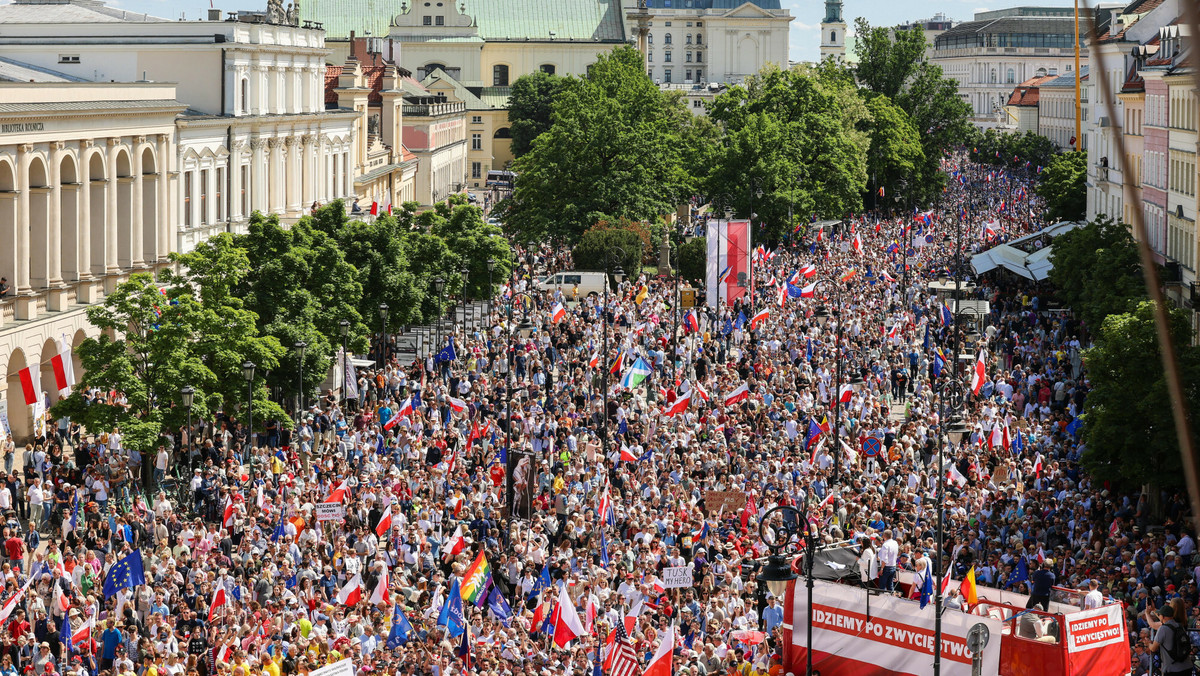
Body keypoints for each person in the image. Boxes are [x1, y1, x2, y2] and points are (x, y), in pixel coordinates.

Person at [1146, 598, 1193, 676]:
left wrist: (1147, 613)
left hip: (1172, 668)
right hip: (1187, 665)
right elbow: (1164, 619)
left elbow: (1153, 647)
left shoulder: (1164, 628)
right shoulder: (1180, 624)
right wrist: (1154, 610)